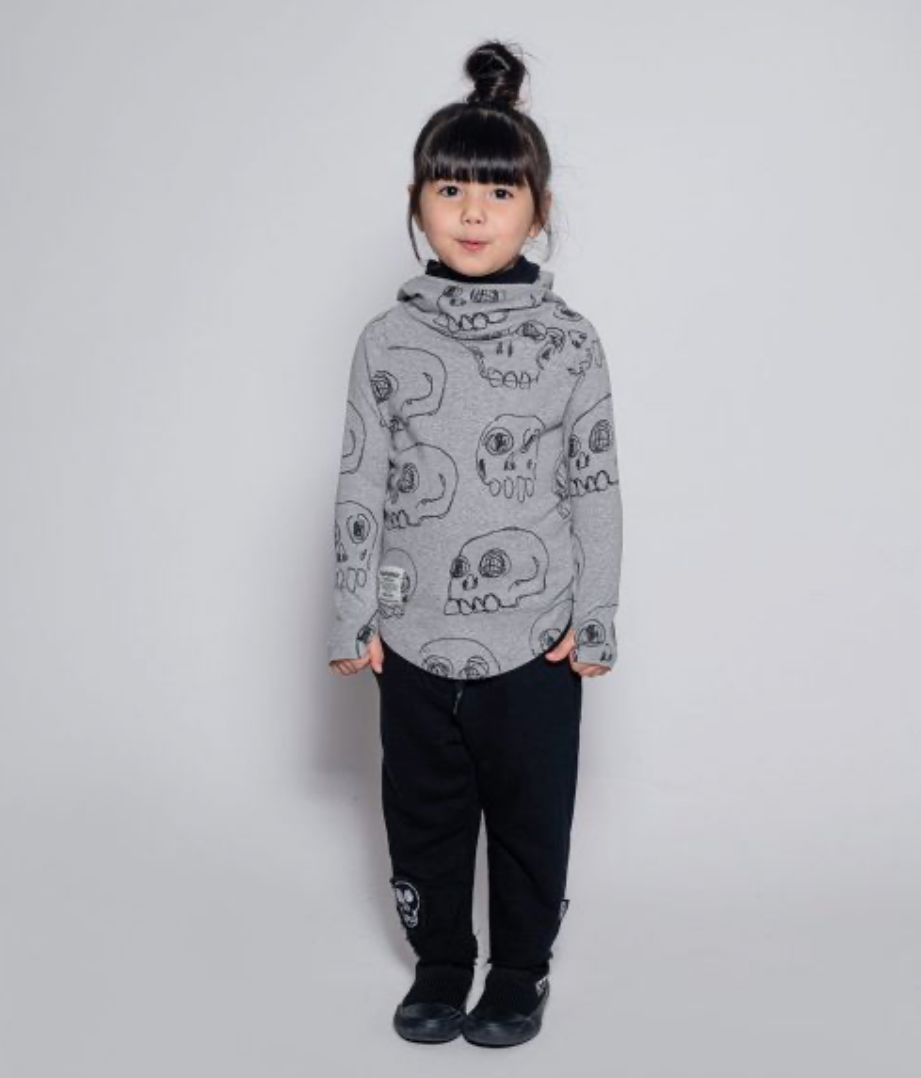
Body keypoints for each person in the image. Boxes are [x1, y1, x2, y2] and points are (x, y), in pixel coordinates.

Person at [327, 39, 623, 1048]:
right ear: (418, 204)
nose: (472, 211)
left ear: (538, 211)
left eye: (499, 192)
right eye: (449, 187)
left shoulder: (570, 343)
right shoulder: (385, 341)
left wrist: (595, 616)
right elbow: (361, 476)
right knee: (425, 812)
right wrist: (352, 611)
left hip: (534, 643)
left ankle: (521, 971)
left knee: (531, 817)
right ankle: (443, 964)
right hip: (409, 637)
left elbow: (594, 485)